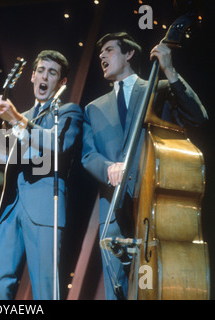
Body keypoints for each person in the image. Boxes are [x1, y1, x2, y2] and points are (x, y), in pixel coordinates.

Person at [81, 32, 208, 300]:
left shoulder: (157, 89)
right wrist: (108, 168)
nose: (102, 56)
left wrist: (170, 71)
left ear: (129, 54)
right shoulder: (93, 108)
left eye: (109, 50)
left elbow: (197, 117)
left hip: (152, 209)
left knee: (148, 285)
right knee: (115, 291)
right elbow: (88, 155)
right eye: (100, 53)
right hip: (113, 212)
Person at [0, 50, 83, 299]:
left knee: (45, 290)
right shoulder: (19, 118)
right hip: (10, 210)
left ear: (61, 83)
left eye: (52, 73)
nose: (44, 76)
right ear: (32, 77)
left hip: (44, 208)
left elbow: (56, 145)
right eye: (40, 70)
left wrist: (17, 119)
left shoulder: (68, 112)